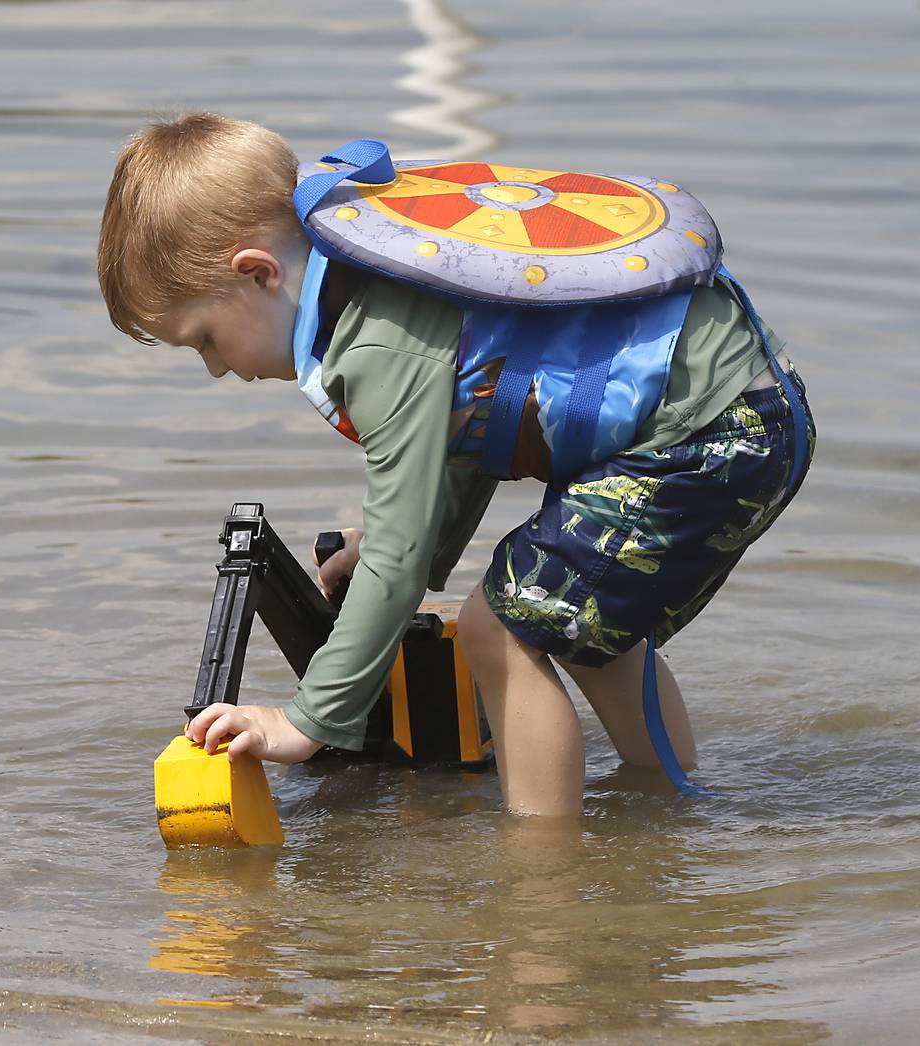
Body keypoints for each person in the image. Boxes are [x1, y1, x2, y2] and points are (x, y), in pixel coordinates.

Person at [97, 112, 815, 816]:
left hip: (706, 436)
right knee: (574, 619)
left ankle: (542, 889)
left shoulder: (377, 347)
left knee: (497, 628)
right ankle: (659, 809)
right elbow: (479, 427)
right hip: (744, 407)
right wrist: (392, 542)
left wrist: (307, 721)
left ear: (255, 274)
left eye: (206, 341)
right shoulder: (374, 281)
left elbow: (399, 566)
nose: (218, 370)